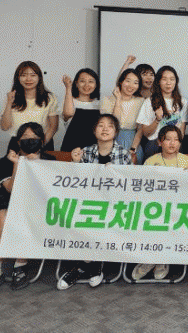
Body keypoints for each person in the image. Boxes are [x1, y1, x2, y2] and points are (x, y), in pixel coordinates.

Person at [0, 123, 56, 301]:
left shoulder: (50, 160)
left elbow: (52, 189)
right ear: (18, 141)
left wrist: (37, 164)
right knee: (2, 219)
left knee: (30, 216)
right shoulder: (5, 161)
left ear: (42, 141)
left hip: (37, 203)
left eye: (34, 137)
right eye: (25, 137)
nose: (30, 140)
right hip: (8, 200)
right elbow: (11, 189)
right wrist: (17, 165)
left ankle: (21, 264)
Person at [57, 114, 132, 290]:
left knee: (101, 219)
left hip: (114, 204)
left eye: (110, 126)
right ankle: (93, 266)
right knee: (75, 217)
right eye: (100, 125)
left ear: (116, 132)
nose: (105, 129)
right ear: (94, 130)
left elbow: (129, 187)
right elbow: (75, 183)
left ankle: (83, 266)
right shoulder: (86, 152)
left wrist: (115, 175)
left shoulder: (124, 154)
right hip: (88, 203)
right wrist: (75, 162)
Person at [131, 125, 188, 281]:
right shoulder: (151, 161)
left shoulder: (187, 161)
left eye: (176, 140)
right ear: (160, 142)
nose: (172, 143)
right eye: (168, 139)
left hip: (179, 208)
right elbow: (143, 189)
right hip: (155, 208)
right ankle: (151, 259)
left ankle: (161, 260)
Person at [0, 61, 59, 150]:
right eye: (23, 75)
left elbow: (53, 127)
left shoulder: (49, 98)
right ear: (18, 78)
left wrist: (39, 146)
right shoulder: (11, 97)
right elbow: (5, 127)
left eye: (33, 75)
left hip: (42, 143)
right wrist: (9, 103)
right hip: (18, 144)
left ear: (39, 77)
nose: (28, 79)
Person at [136, 65, 188, 160]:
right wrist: (157, 119)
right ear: (158, 81)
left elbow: (182, 129)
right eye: (164, 79)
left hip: (175, 145)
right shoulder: (149, 102)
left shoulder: (183, 102)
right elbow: (146, 133)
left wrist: (177, 144)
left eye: (172, 79)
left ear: (176, 81)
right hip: (155, 145)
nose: (168, 83)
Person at [100, 69, 144, 164]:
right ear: (121, 82)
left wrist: (133, 149)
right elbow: (114, 123)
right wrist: (118, 99)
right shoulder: (107, 100)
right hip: (110, 141)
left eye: (135, 83)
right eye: (128, 81)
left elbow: (141, 129)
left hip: (133, 142)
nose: (131, 86)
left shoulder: (141, 101)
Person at [60, 68, 100, 152]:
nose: (86, 85)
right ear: (76, 83)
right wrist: (68, 88)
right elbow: (68, 113)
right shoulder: (69, 101)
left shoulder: (100, 104)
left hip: (94, 150)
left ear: (96, 84)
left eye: (91, 81)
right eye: (82, 81)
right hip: (72, 148)